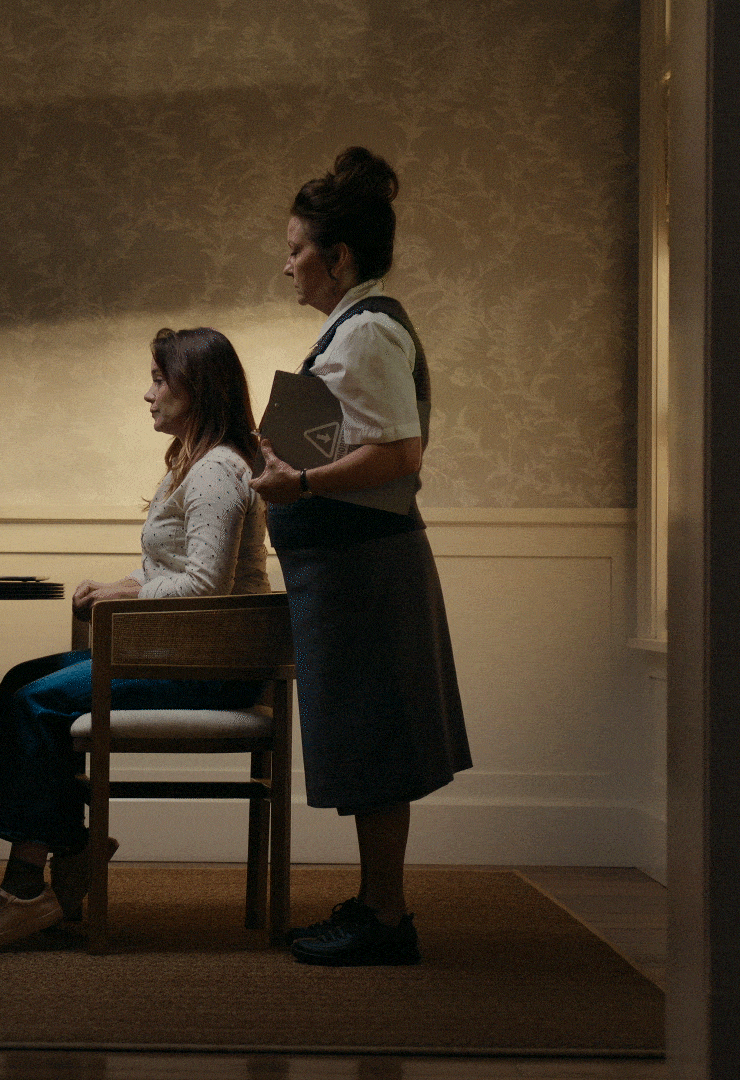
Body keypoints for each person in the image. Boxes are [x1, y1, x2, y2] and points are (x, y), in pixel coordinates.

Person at [0, 326, 273, 952]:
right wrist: (119, 584)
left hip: (209, 666)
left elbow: (206, 588)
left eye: (158, 380)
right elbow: (168, 571)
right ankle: (72, 846)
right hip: (177, 652)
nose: (146, 395)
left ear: (196, 390)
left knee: (34, 702)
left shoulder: (218, 472)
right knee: (21, 680)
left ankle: (26, 886)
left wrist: (126, 596)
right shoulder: (192, 466)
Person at [249, 147, 473, 966]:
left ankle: (386, 918)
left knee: (376, 745)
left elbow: (398, 455)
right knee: (369, 743)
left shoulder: (369, 331)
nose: (288, 266)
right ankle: (380, 902)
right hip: (352, 571)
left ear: (337, 257)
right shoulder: (357, 328)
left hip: (366, 570)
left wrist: (299, 483)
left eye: (297, 249)